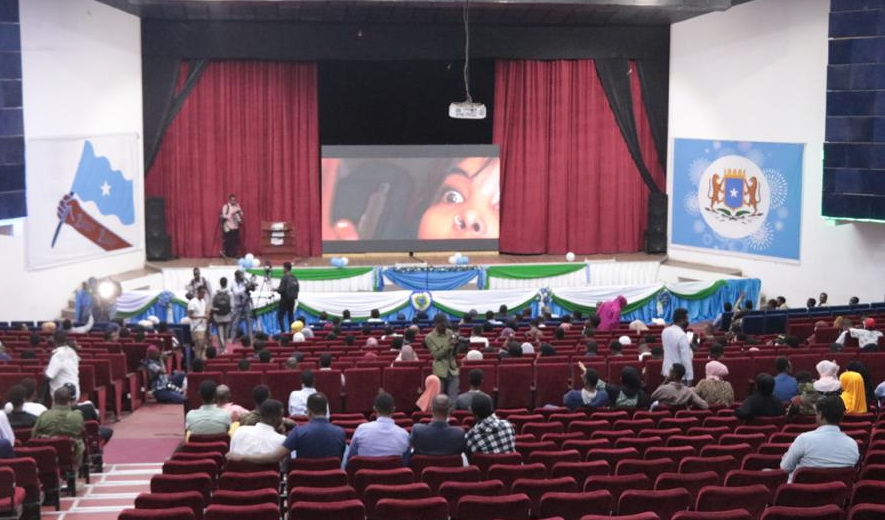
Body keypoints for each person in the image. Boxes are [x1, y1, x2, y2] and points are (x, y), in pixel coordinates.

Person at [227, 392, 346, 464]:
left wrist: (242, 457)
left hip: (304, 487)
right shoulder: (341, 433)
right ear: (326, 411)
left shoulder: (298, 432)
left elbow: (274, 457)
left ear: (309, 412)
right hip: (333, 486)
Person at [780, 395, 859, 482]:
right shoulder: (853, 445)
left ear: (820, 415)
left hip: (802, 489)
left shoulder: (804, 440)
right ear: (841, 417)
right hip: (836, 490)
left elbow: (785, 468)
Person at [345, 392, 410, 465]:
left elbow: (351, 459)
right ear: (393, 409)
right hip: (393, 472)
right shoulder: (404, 435)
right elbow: (405, 463)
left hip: (365, 472)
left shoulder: (361, 429)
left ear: (374, 408)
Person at [32, 387, 85, 466]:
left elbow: (33, 436)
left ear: (54, 400)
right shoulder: (77, 417)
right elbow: (81, 433)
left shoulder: (44, 416)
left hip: (47, 458)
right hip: (71, 456)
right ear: (69, 401)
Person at [425, 314, 460, 401]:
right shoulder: (429, 337)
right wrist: (449, 344)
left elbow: (454, 353)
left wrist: (456, 345)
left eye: (445, 324)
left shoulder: (450, 332)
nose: (444, 327)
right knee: (440, 399)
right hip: (439, 371)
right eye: (442, 325)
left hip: (452, 370)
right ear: (436, 324)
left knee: (453, 399)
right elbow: (436, 355)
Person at [662, 308, 694, 384]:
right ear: (681, 320)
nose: (688, 322)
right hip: (679, 375)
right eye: (686, 319)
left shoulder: (665, 331)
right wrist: (690, 377)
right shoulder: (682, 335)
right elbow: (686, 358)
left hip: (667, 371)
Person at [45, 330, 80, 399]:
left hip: (61, 396)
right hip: (75, 392)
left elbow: (49, 375)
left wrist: (45, 369)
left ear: (54, 341)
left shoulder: (57, 356)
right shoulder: (72, 352)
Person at [229, 270, 254, 340]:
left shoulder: (245, 281)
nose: (242, 277)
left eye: (242, 275)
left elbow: (251, 289)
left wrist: (251, 286)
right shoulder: (233, 283)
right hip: (238, 305)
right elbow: (236, 292)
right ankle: (232, 338)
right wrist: (245, 287)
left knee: (249, 321)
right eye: (241, 275)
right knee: (235, 322)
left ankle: (250, 338)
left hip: (246, 304)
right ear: (237, 276)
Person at [276, 262, 299, 335]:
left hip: (284, 299)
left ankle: (283, 331)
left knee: (280, 316)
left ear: (286, 268)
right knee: (290, 316)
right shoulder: (294, 277)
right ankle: (291, 331)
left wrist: (275, 290)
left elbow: (281, 290)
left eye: (283, 268)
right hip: (292, 300)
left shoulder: (284, 277)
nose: (282, 269)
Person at [188, 286, 210, 361]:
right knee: (198, 346)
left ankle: (203, 361)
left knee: (204, 346)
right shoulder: (192, 302)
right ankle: (197, 362)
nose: (203, 294)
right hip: (196, 328)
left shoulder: (203, 302)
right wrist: (201, 317)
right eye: (202, 293)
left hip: (203, 327)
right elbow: (190, 316)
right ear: (198, 292)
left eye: (204, 293)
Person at [211, 277, 233, 353]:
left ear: (220, 283)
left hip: (218, 316)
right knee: (226, 335)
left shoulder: (215, 293)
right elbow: (232, 305)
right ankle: (224, 348)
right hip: (227, 316)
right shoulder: (230, 293)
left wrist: (214, 313)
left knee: (220, 334)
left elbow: (212, 304)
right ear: (226, 283)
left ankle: (221, 348)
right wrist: (231, 314)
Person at [221, 194, 244, 258]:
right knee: (228, 241)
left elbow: (242, 214)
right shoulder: (226, 206)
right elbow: (224, 216)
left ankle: (234, 254)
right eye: (232, 200)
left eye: (235, 200)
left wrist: (239, 211)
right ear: (229, 200)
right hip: (228, 225)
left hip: (235, 226)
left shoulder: (237, 206)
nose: (234, 201)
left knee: (235, 241)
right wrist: (231, 213)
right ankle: (227, 254)